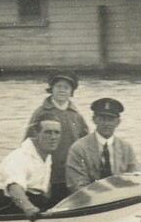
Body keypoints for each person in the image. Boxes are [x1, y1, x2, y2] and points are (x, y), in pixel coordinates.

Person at [23, 72, 90, 201]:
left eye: (66, 87)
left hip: (72, 172)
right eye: (58, 86)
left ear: (71, 92)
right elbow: (28, 141)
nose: (62, 90)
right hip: (49, 173)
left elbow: (85, 141)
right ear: (51, 89)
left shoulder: (76, 115)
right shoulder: (41, 113)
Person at [0, 119, 64, 218]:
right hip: (10, 208)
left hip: (34, 203)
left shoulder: (46, 154)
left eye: (57, 133)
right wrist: (29, 208)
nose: (53, 137)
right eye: (48, 132)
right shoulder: (19, 157)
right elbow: (14, 188)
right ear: (36, 133)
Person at [65, 97, 137, 190]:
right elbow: (76, 185)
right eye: (102, 118)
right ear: (94, 120)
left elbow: (134, 179)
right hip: (90, 201)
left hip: (120, 198)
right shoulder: (79, 148)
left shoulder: (126, 148)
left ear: (118, 122)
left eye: (111, 119)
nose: (106, 123)